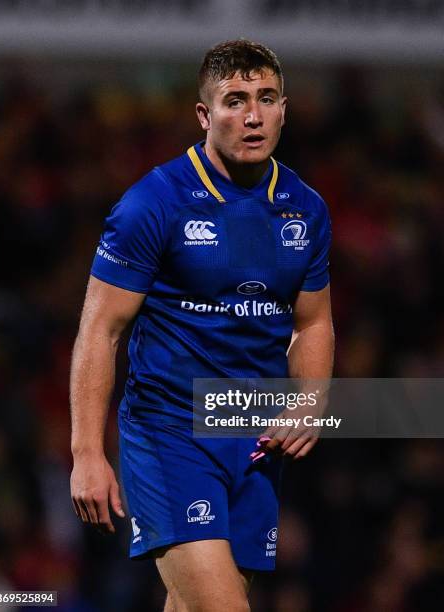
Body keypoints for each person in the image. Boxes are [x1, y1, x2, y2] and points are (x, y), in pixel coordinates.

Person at [70, 39, 334, 612]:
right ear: (204, 114)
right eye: (235, 100)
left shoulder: (305, 208)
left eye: (266, 98)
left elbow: (313, 324)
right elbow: (100, 331)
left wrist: (309, 401)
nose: (253, 115)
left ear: (284, 108)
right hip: (170, 432)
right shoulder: (153, 204)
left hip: (256, 440)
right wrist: (87, 451)